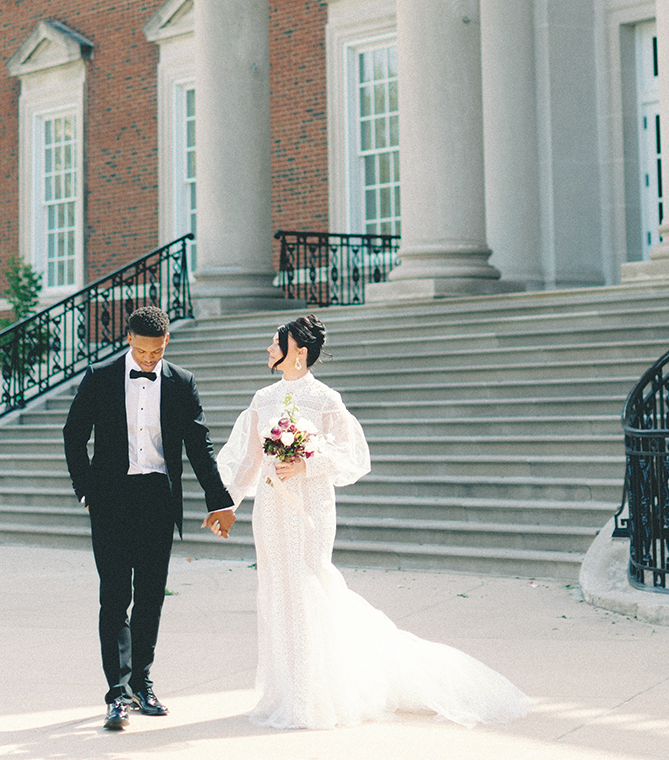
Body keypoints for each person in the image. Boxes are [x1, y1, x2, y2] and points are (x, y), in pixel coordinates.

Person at [213, 314, 531, 732]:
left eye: (277, 342)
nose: (269, 348)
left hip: (310, 508)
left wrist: (306, 465)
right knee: (278, 589)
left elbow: (350, 456)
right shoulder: (262, 399)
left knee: (309, 584)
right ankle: (286, 692)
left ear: (299, 352)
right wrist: (227, 504)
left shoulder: (326, 400)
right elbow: (252, 458)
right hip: (271, 509)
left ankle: (315, 695)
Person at [62, 305, 235, 730]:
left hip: (158, 499)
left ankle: (142, 682)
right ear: (129, 341)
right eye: (141, 352)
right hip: (111, 500)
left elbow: (199, 444)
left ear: (166, 343)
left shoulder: (181, 383)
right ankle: (116, 694)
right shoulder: (100, 378)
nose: (148, 360)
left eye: (155, 353)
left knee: (152, 597)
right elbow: (73, 434)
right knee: (115, 597)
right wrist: (86, 489)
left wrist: (220, 500)